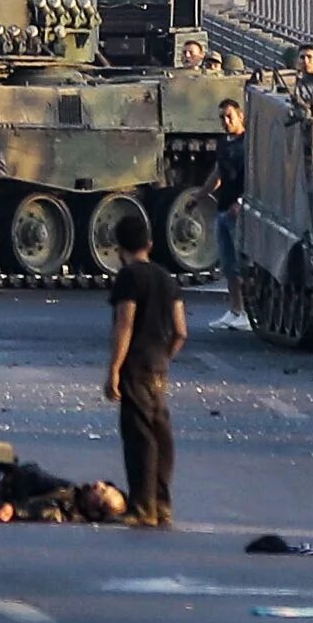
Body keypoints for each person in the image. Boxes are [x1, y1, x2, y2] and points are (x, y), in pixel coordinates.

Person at [105, 211, 185, 527]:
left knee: (140, 437)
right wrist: (165, 355)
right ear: (150, 244)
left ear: (119, 249)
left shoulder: (129, 278)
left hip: (136, 365)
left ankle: (142, 507)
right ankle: (163, 504)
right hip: (159, 366)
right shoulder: (168, 279)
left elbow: (125, 324)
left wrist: (114, 368)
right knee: (160, 432)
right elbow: (181, 330)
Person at [205, 98, 249, 330]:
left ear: (241, 116)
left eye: (230, 116)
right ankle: (235, 310)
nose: (225, 121)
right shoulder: (224, 143)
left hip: (239, 210)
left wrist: (241, 202)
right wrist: (200, 196)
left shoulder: (249, 144)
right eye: (222, 117)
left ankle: (248, 313)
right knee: (228, 264)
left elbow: (256, 177)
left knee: (242, 265)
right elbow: (218, 174)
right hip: (223, 208)